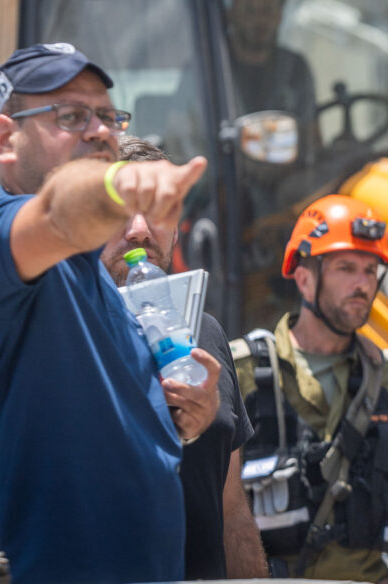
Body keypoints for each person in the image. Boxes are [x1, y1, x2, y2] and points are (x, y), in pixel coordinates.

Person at [0, 43, 220, 584]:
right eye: (71, 116)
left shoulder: (97, 282)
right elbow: (57, 210)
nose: (99, 131)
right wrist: (115, 187)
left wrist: (184, 424)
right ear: (6, 138)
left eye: (107, 115)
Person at [100, 135, 268, 580]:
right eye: (119, 211)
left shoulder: (207, 335)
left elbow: (231, 507)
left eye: (157, 210)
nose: (139, 229)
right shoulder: (64, 338)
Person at [235, 194, 388, 581]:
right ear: (304, 279)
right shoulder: (242, 372)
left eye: (371, 271)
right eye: (346, 268)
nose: (363, 284)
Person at [228, 0, 318, 126]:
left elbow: (311, 134)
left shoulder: (295, 69)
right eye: (250, 11)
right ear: (232, 14)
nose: (260, 20)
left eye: (267, 10)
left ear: (279, 16)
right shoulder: (214, 69)